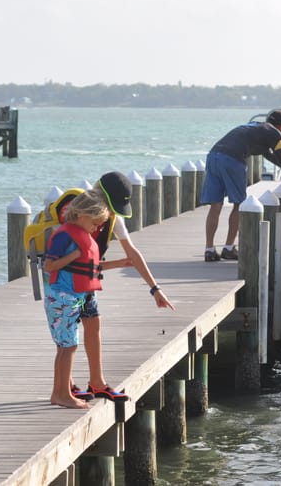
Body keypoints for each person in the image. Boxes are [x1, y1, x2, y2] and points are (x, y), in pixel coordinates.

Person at [65, 172, 176, 402]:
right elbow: (69, 256)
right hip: (64, 281)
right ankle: (67, 386)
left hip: (85, 279)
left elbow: (132, 253)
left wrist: (155, 288)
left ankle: (97, 383)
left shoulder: (113, 219)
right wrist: (116, 265)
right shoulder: (80, 212)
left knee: (93, 323)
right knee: (67, 333)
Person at [43, 190, 133, 408]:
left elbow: (90, 266)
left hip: (75, 296)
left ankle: (60, 393)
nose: (96, 229)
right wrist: (73, 255)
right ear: (83, 215)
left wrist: (120, 263)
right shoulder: (65, 234)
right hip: (63, 296)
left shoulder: (80, 234)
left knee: (68, 345)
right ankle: (61, 394)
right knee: (68, 346)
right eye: (95, 224)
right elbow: (49, 265)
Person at [201, 110, 281, 261]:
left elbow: (272, 158)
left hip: (213, 156)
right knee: (240, 205)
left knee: (216, 205)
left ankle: (209, 249)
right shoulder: (274, 133)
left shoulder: (255, 127)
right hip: (232, 159)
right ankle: (229, 248)